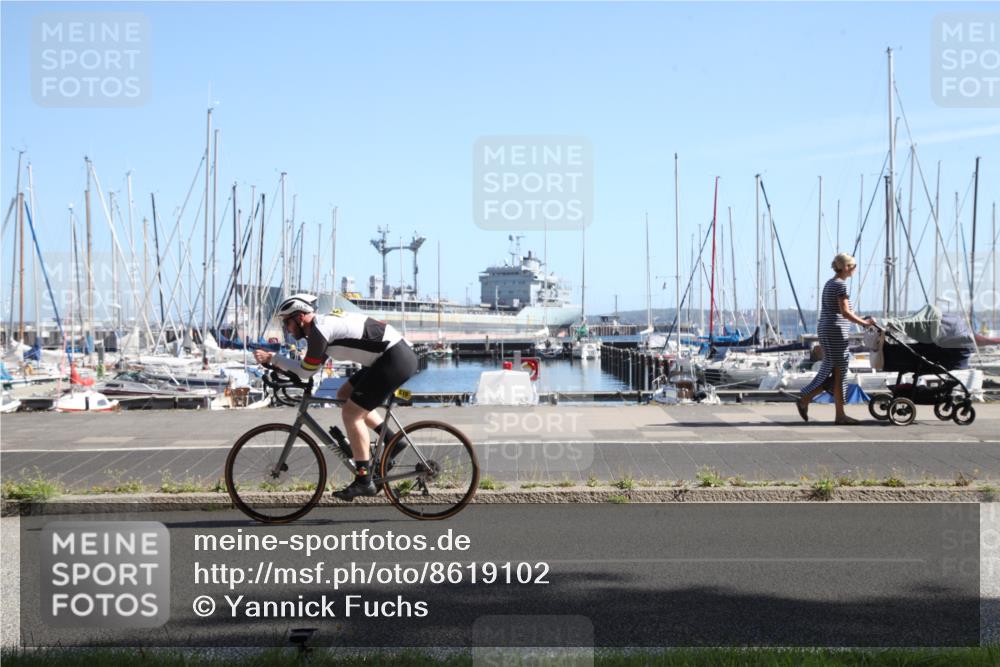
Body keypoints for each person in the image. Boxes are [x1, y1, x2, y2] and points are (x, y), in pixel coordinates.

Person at [253, 293, 419, 499]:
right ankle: (392, 440)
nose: (287, 328)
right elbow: (310, 369)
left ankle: (364, 480)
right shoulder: (320, 330)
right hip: (390, 356)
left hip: (394, 358)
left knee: (352, 414)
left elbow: (305, 371)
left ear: (300, 317)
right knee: (344, 394)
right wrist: (277, 364)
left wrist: (274, 359)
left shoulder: (320, 331)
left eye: (287, 322)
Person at [796, 253, 873, 425]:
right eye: (853, 267)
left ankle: (839, 414)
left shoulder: (830, 283)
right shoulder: (840, 286)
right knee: (839, 369)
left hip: (827, 328)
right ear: (846, 267)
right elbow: (845, 313)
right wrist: (865, 323)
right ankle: (807, 398)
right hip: (835, 331)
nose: (854, 270)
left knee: (839, 372)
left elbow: (840, 311)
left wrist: (860, 319)